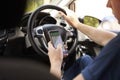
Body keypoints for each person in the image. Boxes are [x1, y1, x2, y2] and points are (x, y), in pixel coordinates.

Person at [48, 0, 120, 80]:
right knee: (85, 59)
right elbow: (109, 39)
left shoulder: (116, 49)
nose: (108, 5)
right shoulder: (117, 43)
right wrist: (77, 24)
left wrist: (56, 63)